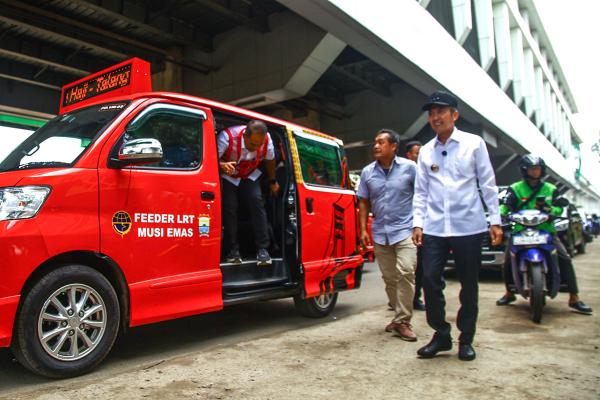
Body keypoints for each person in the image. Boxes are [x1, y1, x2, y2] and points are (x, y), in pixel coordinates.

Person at [412, 90, 503, 361]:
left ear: (455, 115)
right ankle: (441, 335)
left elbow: (487, 183)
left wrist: (494, 220)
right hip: (435, 227)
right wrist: (418, 223)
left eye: (441, 111)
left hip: (469, 226)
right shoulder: (426, 151)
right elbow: (421, 191)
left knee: (469, 285)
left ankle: (466, 339)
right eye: (431, 113)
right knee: (429, 279)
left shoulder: (473, 144)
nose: (435, 117)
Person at [496, 155, 592, 314]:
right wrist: (500, 216)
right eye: (532, 169)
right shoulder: (515, 188)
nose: (535, 172)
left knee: (565, 258)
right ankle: (509, 292)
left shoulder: (551, 189)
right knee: (507, 260)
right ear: (524, 170)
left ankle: (574, 297)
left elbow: (560, 208)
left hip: (546, 230)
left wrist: (550, 210)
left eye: (538, 168)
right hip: (520, 230)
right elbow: (506, 206)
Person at [358, 129, 418, 341]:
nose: (376, 146)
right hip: (380, 232)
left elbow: (421, 197)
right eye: (375, 142)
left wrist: (419, 226)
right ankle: (398, 316)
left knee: (406, 271)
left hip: (405, 230)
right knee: (389, 278)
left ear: (393, 146)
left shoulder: (410, 168)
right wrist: (363, 229)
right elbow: (363, 201)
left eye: (381, 142)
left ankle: (403, 321)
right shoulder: (367, 172)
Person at [217, 120, 280, 265]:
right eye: (253, 144)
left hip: (250, 174)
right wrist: (221, 165)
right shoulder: (226, 137)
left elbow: (270, 160)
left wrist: (272, 181)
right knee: (230, 206)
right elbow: (211, 158)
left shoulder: (266, 139)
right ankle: (232, 250)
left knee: (257, 202)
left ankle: (263, 249)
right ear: (244, 135)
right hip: (229, 175)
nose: (256, 148)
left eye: (259, 145)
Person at [405, 140, 425, 312]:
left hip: (425, 224)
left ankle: (415, 297)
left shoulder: (425, 172)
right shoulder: (407, 171)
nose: (420, 156)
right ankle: (405, 298)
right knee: (410, 266)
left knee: (421, 266)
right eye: (417, 153)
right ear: (409, 155)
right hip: (409, 226)